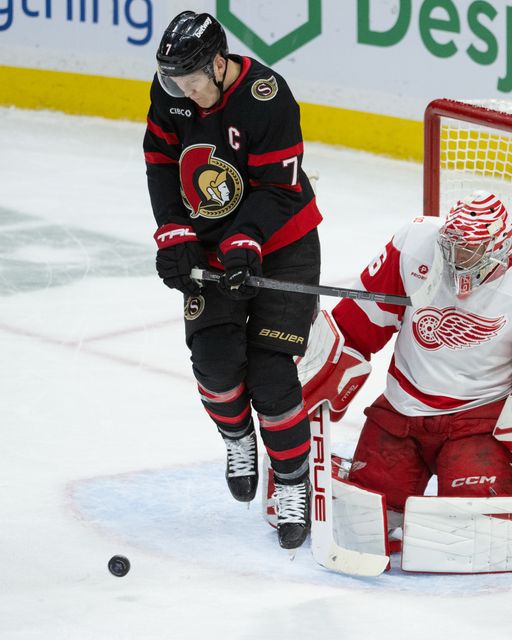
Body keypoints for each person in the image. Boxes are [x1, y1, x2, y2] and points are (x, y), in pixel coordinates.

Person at [143, 11, 322, 550]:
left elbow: (280, 187)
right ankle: (237, 437)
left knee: (270, 379)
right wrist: (174, 232)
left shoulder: (267, 95)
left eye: (192, 78)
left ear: (219, 63)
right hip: (210, 248)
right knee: (217, 366)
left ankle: (291, 482)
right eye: (174, 79)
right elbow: (159, 159)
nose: (183, 89)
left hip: (283, 244)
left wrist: (246, 240)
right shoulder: (169, 90)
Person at [316, 191, 512, 519]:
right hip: (402, 410)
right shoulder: (413, 244)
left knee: (474, 524)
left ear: (499, 245)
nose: (458, 259)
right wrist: (321, 369)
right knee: (369, 515)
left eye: (470, 250)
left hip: (480, 421)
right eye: (453, 247)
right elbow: (360, 321)